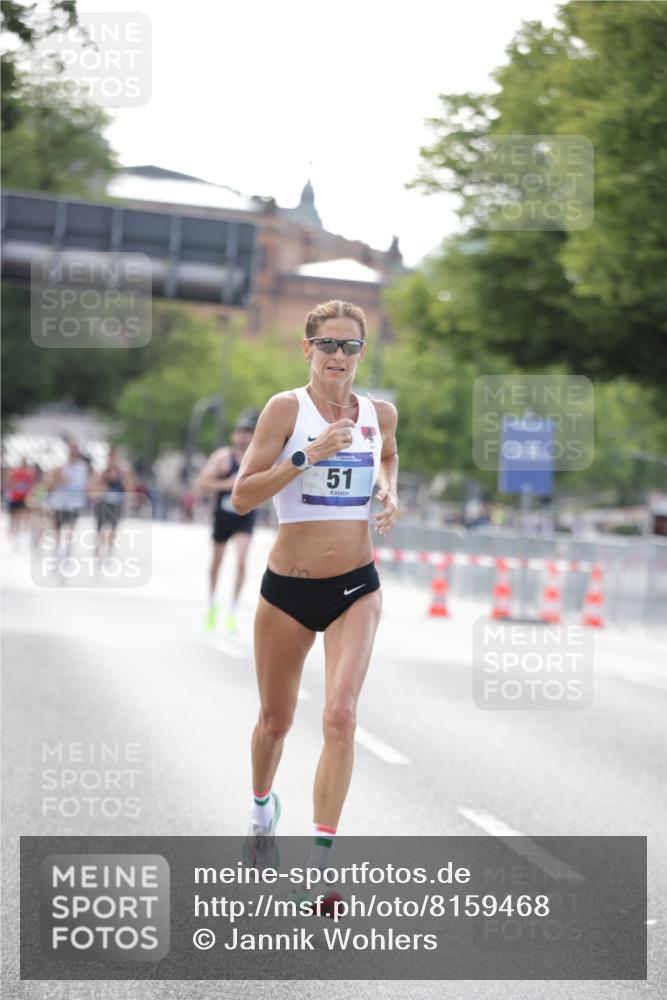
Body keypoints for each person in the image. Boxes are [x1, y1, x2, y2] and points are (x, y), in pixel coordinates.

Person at [231, 300, 399, 912]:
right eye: (327, 344)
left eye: (349, 346)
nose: (338, 356)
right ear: (307, 349)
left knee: (340, 715)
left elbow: (387, 455)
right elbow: (242, 496)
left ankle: (320, 869)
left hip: (356, 586)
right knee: (275, 722)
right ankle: (261, 811)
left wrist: (387, 491)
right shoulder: (286, 409)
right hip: (289, 589)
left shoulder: (380, 414)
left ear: (361, 353)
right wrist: (308, 455)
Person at [196, 413, 259, 633]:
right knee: (217, 561)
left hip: (245, 516)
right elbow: (203, 482)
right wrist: (228, 484)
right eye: (240, 433)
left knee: (241, 562)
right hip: (223, 515)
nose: (243, 438)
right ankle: (212, 604)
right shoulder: (222, 457)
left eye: (248, 434)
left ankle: (233, 609)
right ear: (234, 436)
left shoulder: (257, 457)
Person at [89, 446, 135, 560]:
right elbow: (92, 488)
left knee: (113, 529)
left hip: (116, 504)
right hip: (103, 503)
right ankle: (98, 549)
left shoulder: (122, 473)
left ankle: (109, 549)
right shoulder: (102, 472)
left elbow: (130, 487)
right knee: (99, 528)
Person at [4, 457, 35, 542]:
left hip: (22, 499)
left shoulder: (28, 474)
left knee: (19, 517)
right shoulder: (15, 473)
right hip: (14, 498)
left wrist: (29, 496)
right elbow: (9, 483)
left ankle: (17, 535)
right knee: (13, 518)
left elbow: (30, 486)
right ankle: (11, 535)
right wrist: (12, 489)